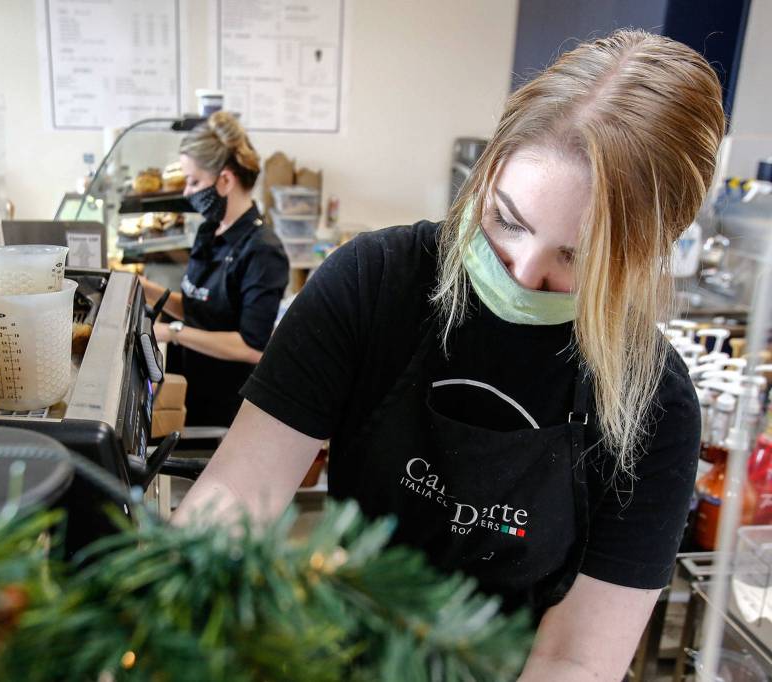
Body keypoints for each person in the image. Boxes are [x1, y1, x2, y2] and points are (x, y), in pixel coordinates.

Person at [172, 30, 724, 680]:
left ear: (650, 253)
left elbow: (575, 655)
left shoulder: (655, 401)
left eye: (578, 255)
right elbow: (239, 493)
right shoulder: (376, 284)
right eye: (508, 220)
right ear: (488, 172)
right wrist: (162, 610)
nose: (521, 271)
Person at [141, 112, 289, 427]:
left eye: (194, 182)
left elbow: (253, 346)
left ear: (225, 180)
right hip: (193, 384)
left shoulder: (263, 251)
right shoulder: (210, 231)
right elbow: (200, 310)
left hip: (226, 404)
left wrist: (172, 332)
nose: (187, 192)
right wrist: (143, 289)